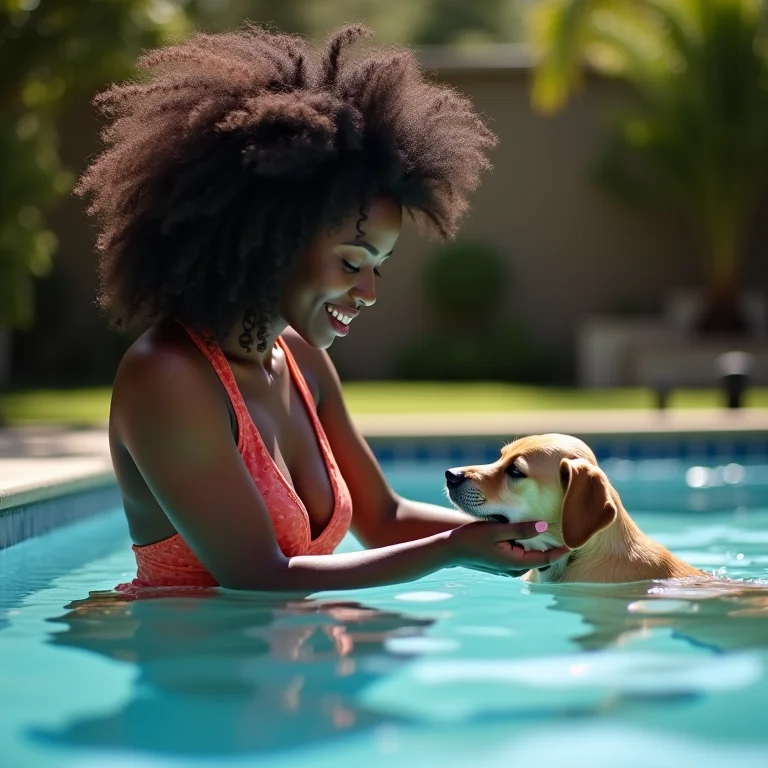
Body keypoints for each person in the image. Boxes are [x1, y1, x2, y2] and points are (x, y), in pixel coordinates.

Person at [75, 23, 569, 593]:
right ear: (275, 236)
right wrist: (454, 550)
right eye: (352, 260)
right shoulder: (166, 377)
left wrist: (548, 534)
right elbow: (257, 576)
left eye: (377, 266)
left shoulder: (304, 365)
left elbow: (384, 520)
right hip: (195, 675)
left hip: (295, 669)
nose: (369, 292)